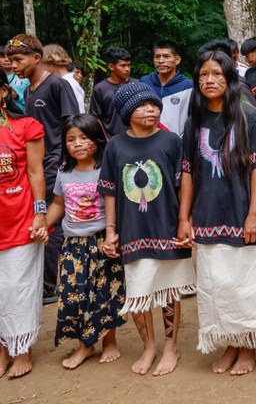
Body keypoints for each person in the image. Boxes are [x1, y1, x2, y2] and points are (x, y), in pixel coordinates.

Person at [176, 50, 256, 376]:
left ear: (230, 80)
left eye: (218, 75)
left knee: (246, 283)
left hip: (241, 214)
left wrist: (255, 214)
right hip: (208, 216)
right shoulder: (194, 122)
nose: (210, 81)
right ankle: (230, 344)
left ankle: (247, 346)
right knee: (216, 285)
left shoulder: (248, 117)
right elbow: (189, 171)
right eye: (204, 75)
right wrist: (184, 218)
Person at [99, 82, 196, 377]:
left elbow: (184, 184)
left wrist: (184, 221)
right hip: (133, 230)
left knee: (168, 291)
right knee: (140, 290)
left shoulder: (171, 142)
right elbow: (111, 190)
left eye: (154, 104)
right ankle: (149, 346)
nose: (151, 109)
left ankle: (170, 347)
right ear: (128, 112)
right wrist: (111, 230)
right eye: (143, 105)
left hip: (167, 227)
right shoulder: (115, 145)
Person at [45, 114, 125, 369]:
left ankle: (109, 342)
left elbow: (118, 205)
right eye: (71, 139)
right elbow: (58, 203)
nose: (77, 144)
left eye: (84, 137)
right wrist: (44, 224)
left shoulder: (106, 170)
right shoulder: (64, 172)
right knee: (74, 296)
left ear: (97, 140)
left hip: (102, 242)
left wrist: (115, 236)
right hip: (73, 245)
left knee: (104, 294)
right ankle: (85, 345)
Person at [6, 34, 80, 304]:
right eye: (11, 60)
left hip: (56, 164)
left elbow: (72, 124)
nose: (13, 65)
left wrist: (64, 160)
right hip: (35, 165)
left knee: (53, 222)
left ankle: (50, 285)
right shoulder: (27, 91)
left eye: (18, 59)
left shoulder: (58, 85)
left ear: (36, 58)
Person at [0, 70, 47, 379]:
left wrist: (40, 212)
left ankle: (21, 348)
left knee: (16, 286)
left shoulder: (26, 127)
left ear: (3, 91)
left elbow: (35, 172)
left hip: (19, 217)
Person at [139, 41, 193, 136]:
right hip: (146, 139)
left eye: (166, 56)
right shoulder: (144, 82)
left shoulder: (188, 86)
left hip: (176, 141)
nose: (160, 61)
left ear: (177, 60)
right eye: (157, 57)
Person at [90, 47, 136, 137]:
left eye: (129, 65)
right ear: (111, 66)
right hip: (112, 139)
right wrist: (105, 139)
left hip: (137, 138)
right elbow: (96, 118)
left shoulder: (137, 85)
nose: (127, 69)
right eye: (123, 66)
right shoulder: (100, 89)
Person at [42, 44, 86, 114]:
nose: (43, 69)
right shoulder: (58, 82)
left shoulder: (70, 84)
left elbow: (79, 113)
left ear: (51, 63)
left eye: (43, 64)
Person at [0, 45, 29, 112]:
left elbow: (34, 101)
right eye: (2, 57)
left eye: (9, 57)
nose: (6, 59)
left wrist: (17, 96)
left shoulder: (24, 77)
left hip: (22, 117)